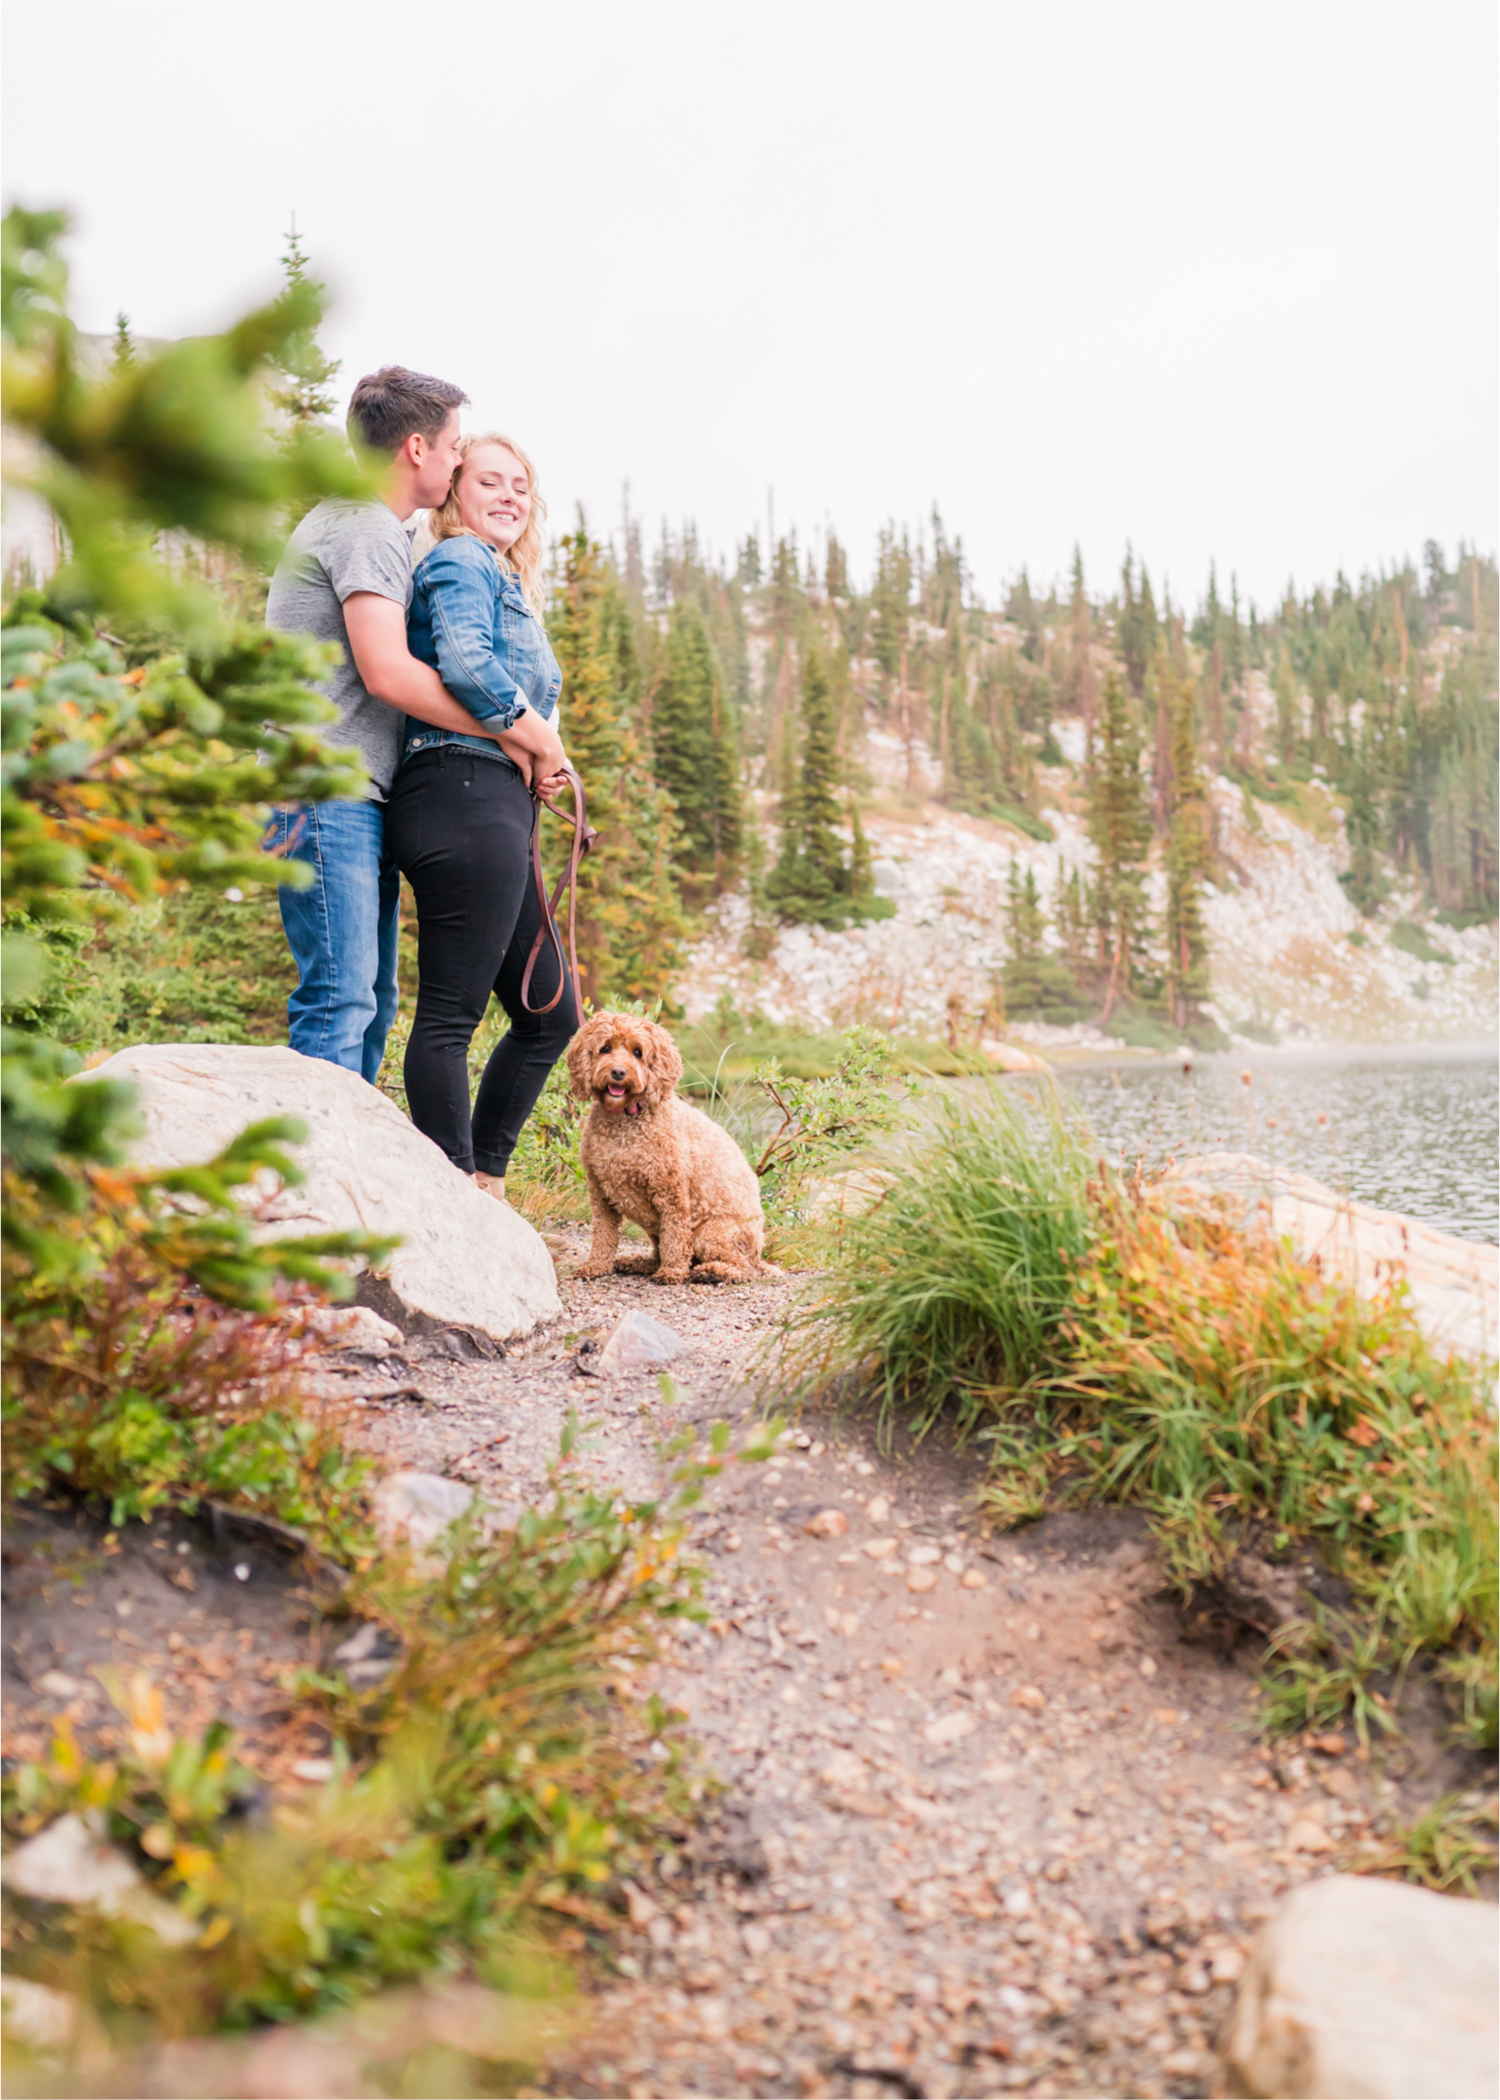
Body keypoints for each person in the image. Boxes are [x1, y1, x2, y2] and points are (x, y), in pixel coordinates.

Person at [264, 368, 565, 1080]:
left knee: (367, 999)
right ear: (419, 449)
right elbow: (388, 672)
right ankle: (318, 1182)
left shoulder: (379, 531)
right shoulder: (362, 525)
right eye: (457, 447)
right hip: (322, 784)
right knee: (340, 999)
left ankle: (353, 1172)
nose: (463, 461)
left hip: (356, 791)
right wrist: (522, 732)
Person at [385, 433, 578, 1200]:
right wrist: (539, 740)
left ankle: (483, 1185)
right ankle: (451, 1199)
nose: (507, 495)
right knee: (449, 1015)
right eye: (490, 480)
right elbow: (466, 664)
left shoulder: (500, 574)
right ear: (457, 491)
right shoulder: (459, 560)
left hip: (489, 797)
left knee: (550, 1016)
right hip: (458, 792)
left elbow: (495, 682)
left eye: (520, 485)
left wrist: (538, 761)